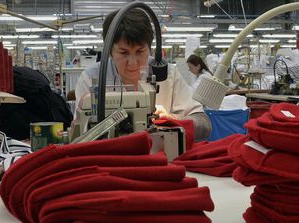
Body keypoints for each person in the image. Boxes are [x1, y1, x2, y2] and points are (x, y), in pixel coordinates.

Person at [75, 8, 211, 141]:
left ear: (151, 49)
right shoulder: (91, 79)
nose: (133, 63)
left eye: (140, 51)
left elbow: (204, 126)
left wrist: (173, 119)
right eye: (123, 52)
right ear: (109, 51)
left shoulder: (168, 74)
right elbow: (79, 134)